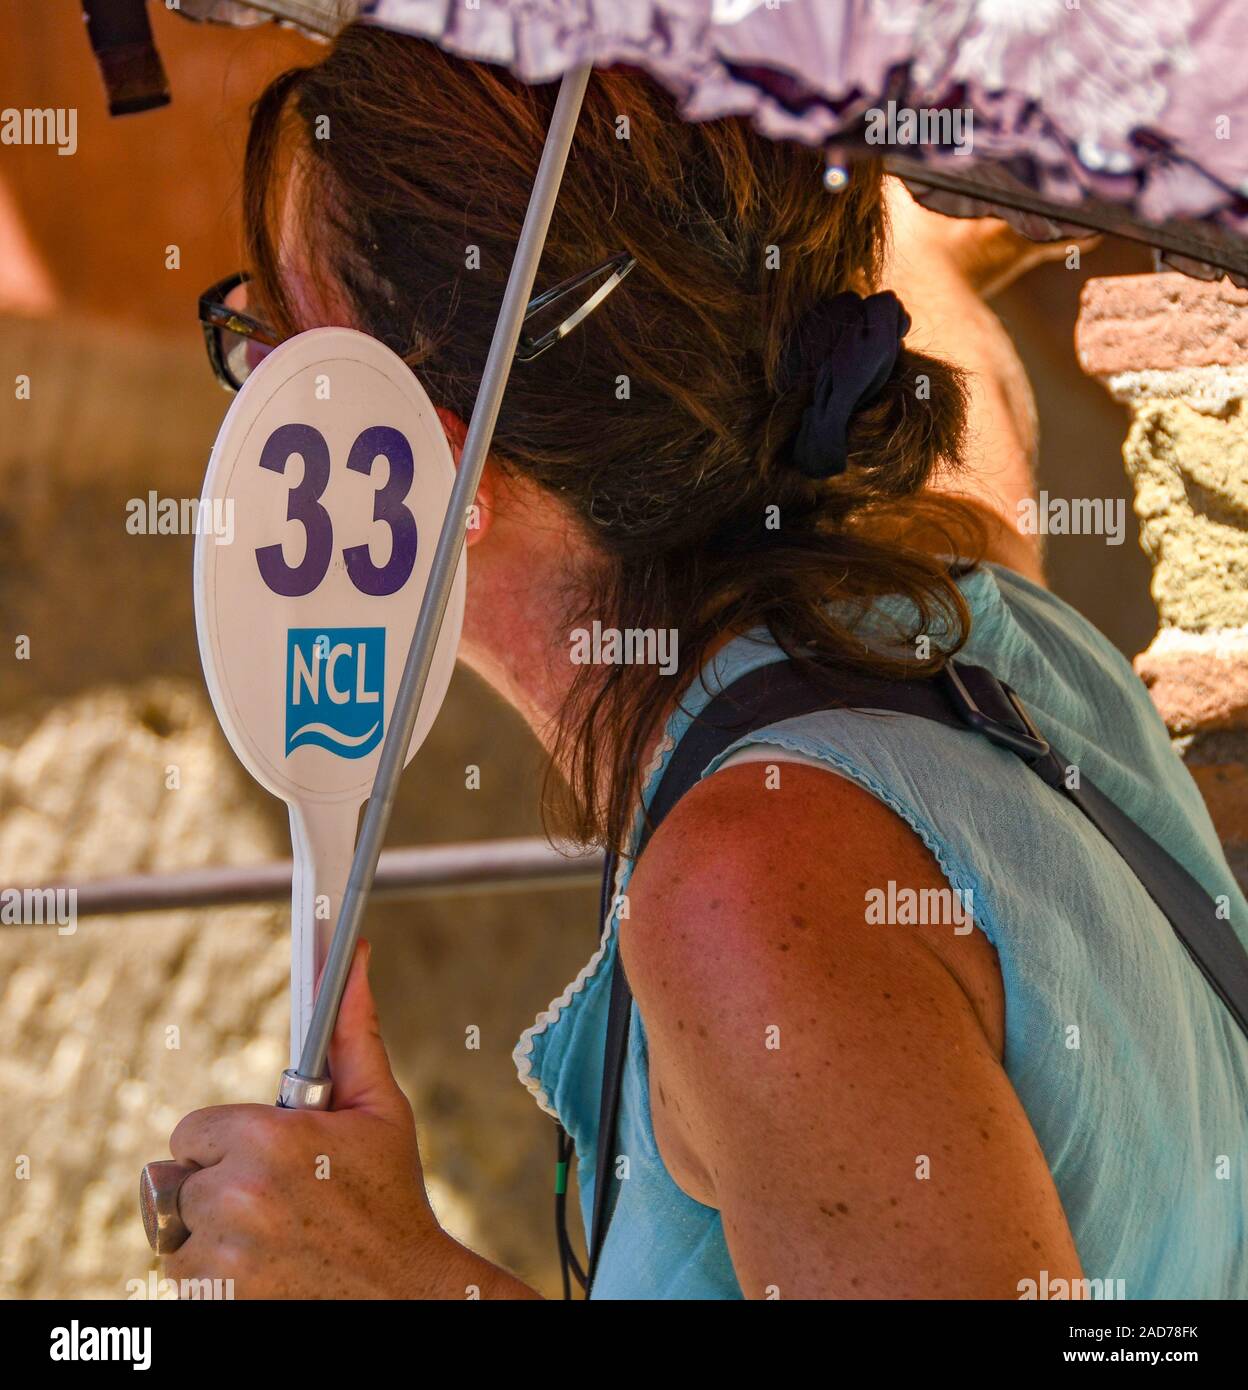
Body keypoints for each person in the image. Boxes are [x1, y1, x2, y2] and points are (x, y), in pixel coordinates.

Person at [168, 24, 1248, 1299]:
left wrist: (397, 1279)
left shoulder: (755, 887)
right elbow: (871, 320)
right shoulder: (968, 605)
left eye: (278, 348)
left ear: (427, 460)